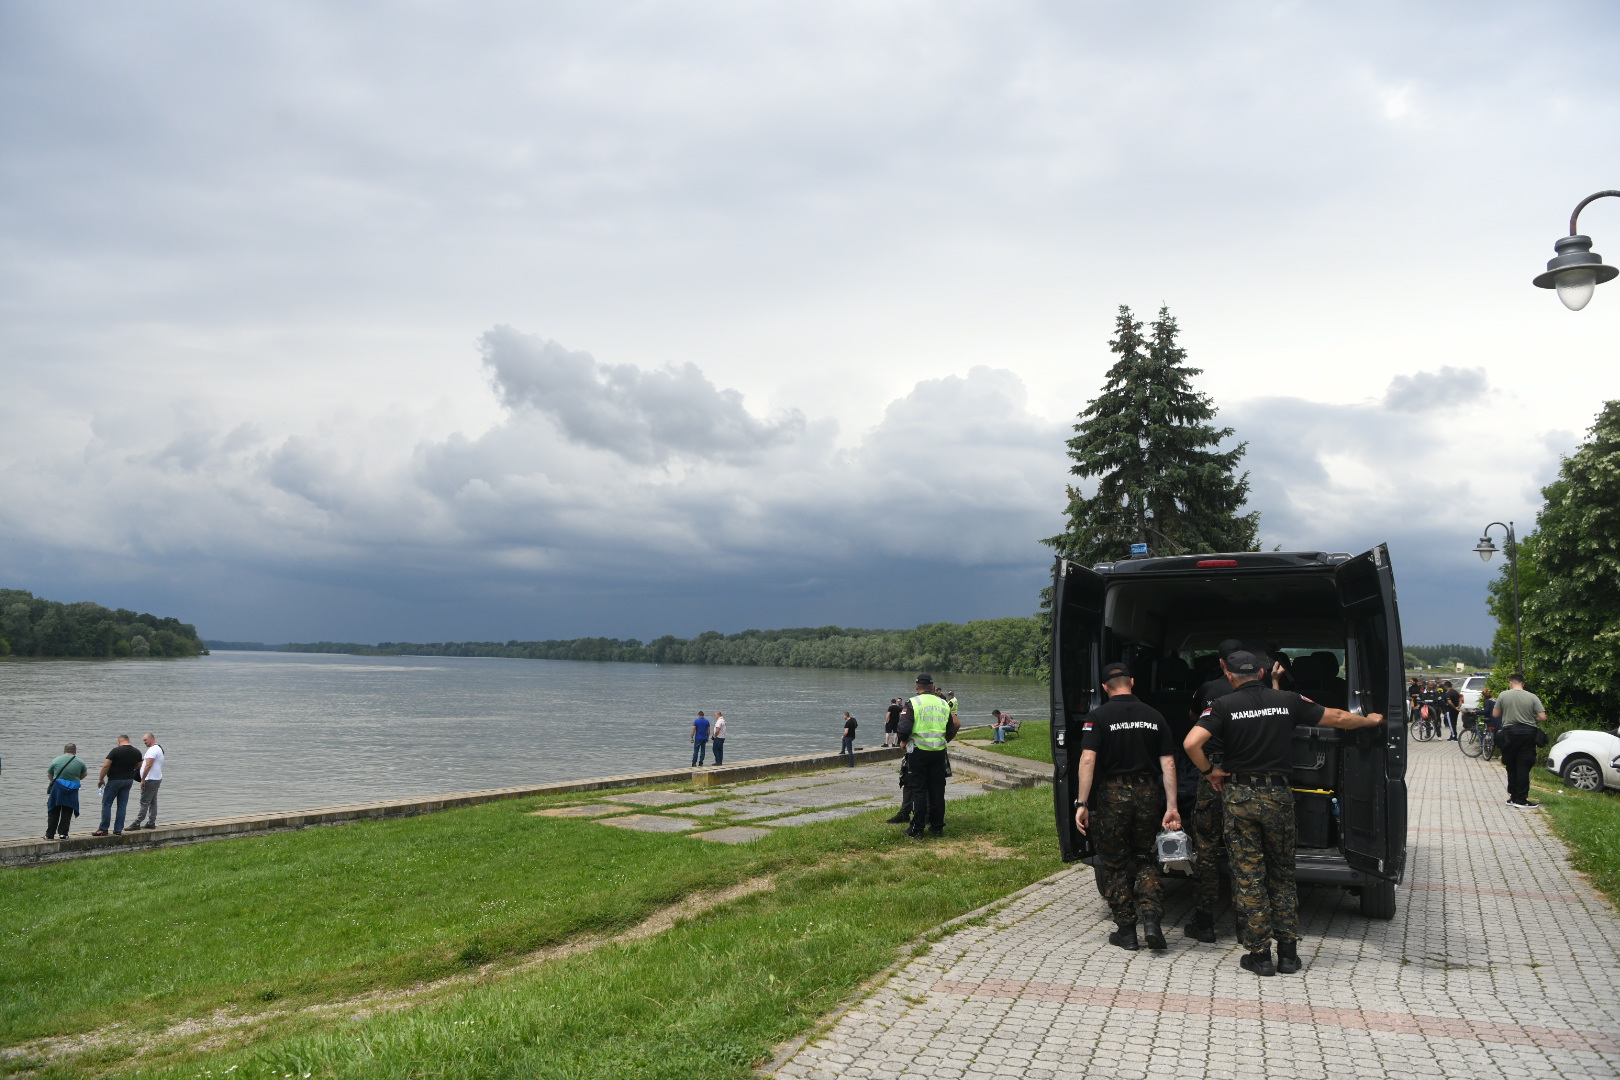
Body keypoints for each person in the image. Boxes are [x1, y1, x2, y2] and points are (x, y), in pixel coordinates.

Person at [1185, 650, 1386, 977]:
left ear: (1230, 676)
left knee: (1249, 876)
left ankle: (1260, 955)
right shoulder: (1288, 701)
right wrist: (1371, 721)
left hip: (1240, 797)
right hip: (1278, 796)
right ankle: (1289, 955)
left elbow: (1192, 742)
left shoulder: (1222, 706)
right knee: (1281, 873)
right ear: (1263, 674)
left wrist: (1210, 771)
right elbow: (1336, 717)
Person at [1074, 662, 1181, 951]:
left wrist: (1082, 802)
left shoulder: (1098, 717)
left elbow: (1087, 760)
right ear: (1132, 682)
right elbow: (1168, 763)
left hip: (1113, 795)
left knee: (1116, 863)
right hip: (1148, 793)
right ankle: (1151, 920)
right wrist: (1172, 806)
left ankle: (1126, 931)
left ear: (1106, 688)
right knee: (1147, 858)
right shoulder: (1154, 716)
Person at [1181, 637, 1246, 943]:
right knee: (1247, 849)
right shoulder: (1266, 695)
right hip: (1248, 774)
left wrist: (1208, 771)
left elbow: (1194, 720)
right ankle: (1248, 922)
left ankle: (1205, 920)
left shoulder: (1208, 690)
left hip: (1214, 772)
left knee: (1205, 846)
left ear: (1221, 663)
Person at [895, 674, 957, 838]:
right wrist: (942, 741)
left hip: (919, 752)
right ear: (932, 686)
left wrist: (902, 742)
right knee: (937, 790)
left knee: (919, 790)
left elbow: (903, 728)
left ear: (916, 686)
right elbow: (952, 728)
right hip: (938, 753)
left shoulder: (913, 703)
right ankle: (937, 828)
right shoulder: (943, 703)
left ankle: (917, 829)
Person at [1494, 673, 1547, 808]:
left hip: (1510, 733)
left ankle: (1513, 797)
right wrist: (1530, 717)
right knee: (1523, 766)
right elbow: (1542, 717)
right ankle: (1522, 799)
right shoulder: (1532, 697)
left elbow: (1495, 714)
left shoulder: (1503, 695)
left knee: (1511, 765)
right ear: (1523, 683)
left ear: (1511, 682)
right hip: (1528, 734)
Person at [94, 735, 144, 836]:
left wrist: (101, 779)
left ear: (119, 741)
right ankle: (118, 829)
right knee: (122, 805)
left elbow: (106, 765)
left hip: (114, 780)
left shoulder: (115, 751)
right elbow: (139, 765)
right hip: (128, 781)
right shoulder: (137, 752)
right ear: (128, 741)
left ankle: (103, 829)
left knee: (107, 804)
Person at [46, 743, 87, 840]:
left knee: (54, 809)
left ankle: (49, 835)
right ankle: (63, 834)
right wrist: (75, 779)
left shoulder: (56, 760)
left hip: (58, 789)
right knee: (67, 810)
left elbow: (49, 774)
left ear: (64, 751)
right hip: (72, 790)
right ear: (75, 751)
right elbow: (84, 774)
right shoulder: (80, 762)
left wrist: (54, 781)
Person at [129, 732, 164, 829]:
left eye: (145, 740)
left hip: (150, 779)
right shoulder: (158, 748)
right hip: (156, 778)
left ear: (151, 738)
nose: (144, 742)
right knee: (153, 801)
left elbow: (148, 765)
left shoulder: (153, 750)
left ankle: (137, 823)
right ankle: (151, 822)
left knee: (144, 801)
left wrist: (143, 779)